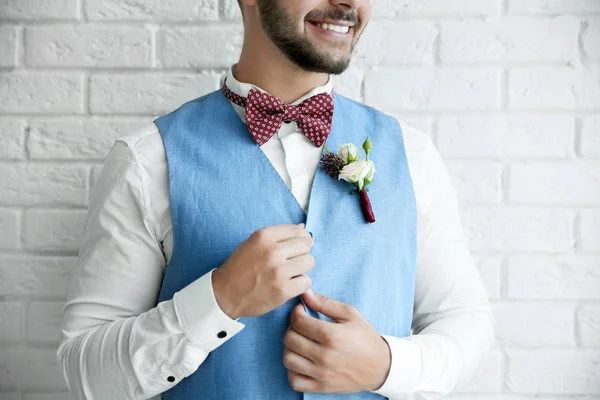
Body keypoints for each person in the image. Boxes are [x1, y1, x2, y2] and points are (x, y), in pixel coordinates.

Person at [57, 0, 495, 399]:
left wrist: (386, 365)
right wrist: (219, 300)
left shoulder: (411, 154)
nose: (349, 4)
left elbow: (465, 322)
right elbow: (85, 374)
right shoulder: (146, 160)